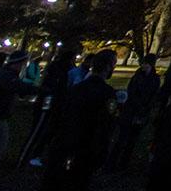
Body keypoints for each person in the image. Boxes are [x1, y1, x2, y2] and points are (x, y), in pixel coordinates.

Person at [42, 48, 119, 191]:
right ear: (109, 67)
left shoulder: (76, 89)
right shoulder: (107, 94)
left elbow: (59, 115)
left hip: (64, 143)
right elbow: (105, 126)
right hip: (86, 148)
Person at [0, 50, 33, 178]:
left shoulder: (6, 75)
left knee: (0, 146)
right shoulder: (6, 76)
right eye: (22, 63)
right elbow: (20, 88)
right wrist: (40, 90)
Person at [109, 52, 161, 170]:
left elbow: (154, 95)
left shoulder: (154, 79)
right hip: (131, 110)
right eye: (144, 63)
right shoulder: (138, 76)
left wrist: (146, 108)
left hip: (141, 111)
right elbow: (131, 92)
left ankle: (123, 163)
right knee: (122, 139)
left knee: (131, 141)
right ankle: (112, 163)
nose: (144, 66)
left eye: (147, 64)